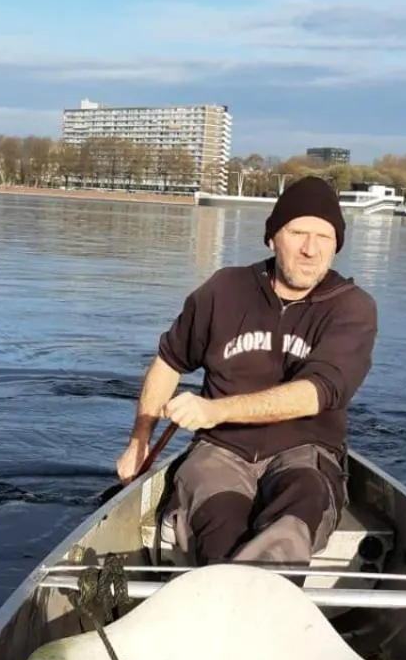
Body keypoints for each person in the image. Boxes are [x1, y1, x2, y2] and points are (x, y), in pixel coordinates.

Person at [116, 175, 377, 565]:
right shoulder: (224, 290)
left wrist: (215, 410)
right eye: (297, 233)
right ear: (272, 238)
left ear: (336, 246)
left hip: (305, 452)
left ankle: (252, 585)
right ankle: (231, 579)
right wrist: (139, 441)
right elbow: (169, 362)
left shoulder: (352, 308)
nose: (310, 249)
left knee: (299, 506)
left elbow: (317, 392)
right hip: (221, 450)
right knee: (218, 522)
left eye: (324, 237)